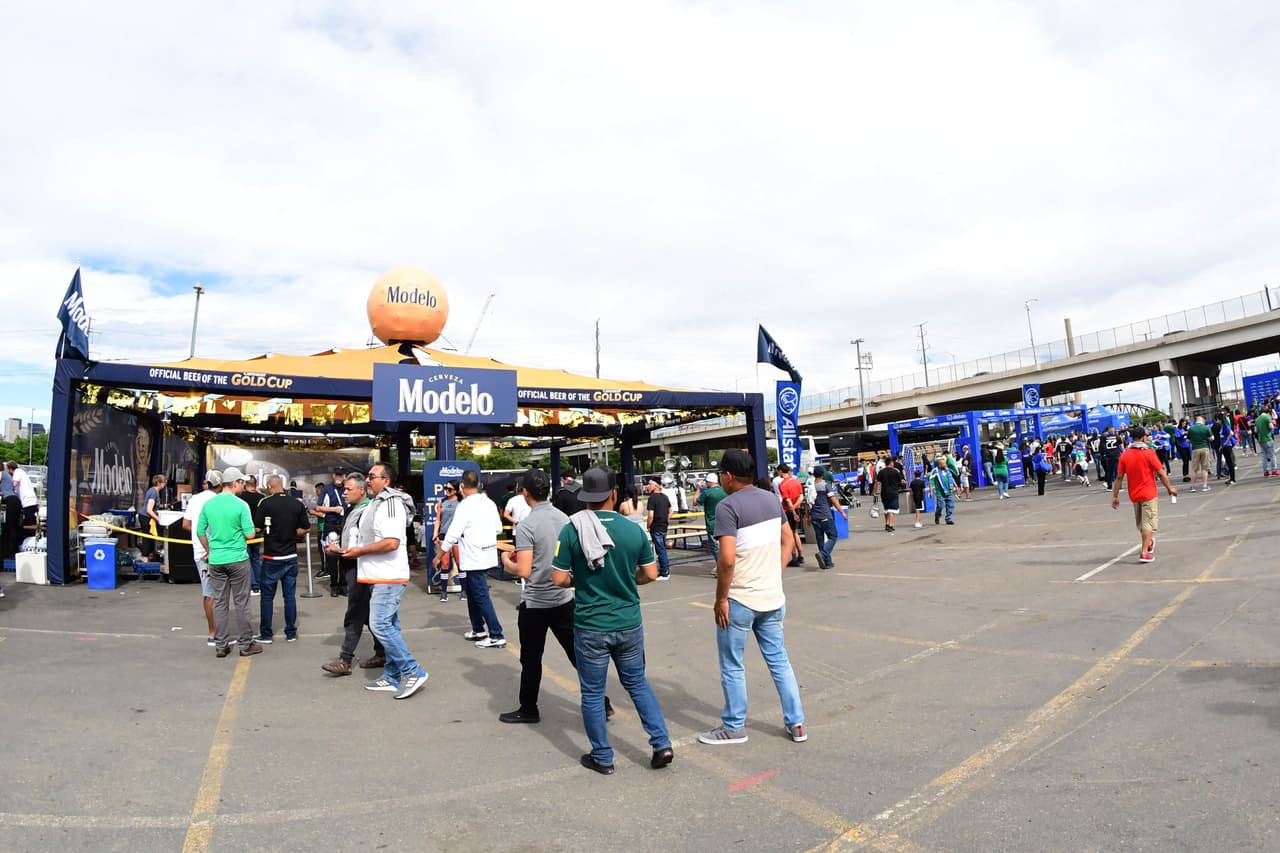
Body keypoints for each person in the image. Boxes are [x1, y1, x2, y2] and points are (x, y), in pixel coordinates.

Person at [551, 466, 673, 775]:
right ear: (614, 495)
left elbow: (558, 578)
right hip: (629, 621)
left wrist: (583, 581)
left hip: (590, 624)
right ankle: (661, 743)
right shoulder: (633, 530)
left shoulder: (571, 530)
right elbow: (650, 574)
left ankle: (603, 757)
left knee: (592, 693)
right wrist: (626, 582)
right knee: (637, 683)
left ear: (585, 498)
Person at [698, 449, 806, 746]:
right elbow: (788, 542)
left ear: (729, 476)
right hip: (772, 596)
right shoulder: (771, 499)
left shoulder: (727, 506)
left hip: (741, 599)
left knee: (732, 663)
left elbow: (727, 560)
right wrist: (775, 572)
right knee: (779, 660)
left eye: (722, 473)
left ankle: (734, 726)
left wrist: (721, 599)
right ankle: (796, 723)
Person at [496, 469, 615, 724]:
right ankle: (602, 703)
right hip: (564, 598)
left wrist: (506, 561)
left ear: (524, 492)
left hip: (536, 602)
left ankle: (529, 709)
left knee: (531, 659)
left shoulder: (527, 525)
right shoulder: (565, 519)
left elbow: (524, 569)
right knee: (577, 655)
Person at [342, 463, 427, 700]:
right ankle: (392, 676)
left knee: (379, 625)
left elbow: (391, 542)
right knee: (389, 625)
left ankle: (412, 670)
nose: (367, 480)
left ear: (386, 481)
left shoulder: (390, 503)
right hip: (377, 575)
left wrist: (359, 552)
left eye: (372, 477)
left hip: (389, 575)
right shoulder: (377, 503)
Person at [321, 473, 386, 677]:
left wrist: (346, 551)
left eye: (348, 489)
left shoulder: (368, 511)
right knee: (367, 615)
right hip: (351, 565)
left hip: (361, 568)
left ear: (361, 490)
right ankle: (382, 653)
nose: (344, 492)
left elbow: (368, 542)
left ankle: (345, 659)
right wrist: (338, 548)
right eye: (344, 489)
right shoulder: (353, 510)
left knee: (355, 614)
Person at [195, 467, 263, 658]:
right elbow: (250, 533)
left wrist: (209, 550)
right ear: (235, 483)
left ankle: (221, 644)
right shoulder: (241, 505)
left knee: (220, 603)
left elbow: (200, 531)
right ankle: (245, 644)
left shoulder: (209, 505)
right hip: (238, 559)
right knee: (241, 602)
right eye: (241, 482)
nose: (243, 485)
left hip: (216, 560)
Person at [437, 469, 506, 648]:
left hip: (473, 556)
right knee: (473, 592)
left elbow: (452, 534)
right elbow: (498, 528)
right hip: (487, 553)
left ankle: (496, 634)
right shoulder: (489, 503)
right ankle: (478, 628)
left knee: (480, 594)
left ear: (461, 486)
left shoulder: (465, 506)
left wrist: (439, 555)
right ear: (479, 484)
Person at [253, 474, 311, 643]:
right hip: (291, 556)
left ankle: (266, 634)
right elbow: (305, 528)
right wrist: (292, 534)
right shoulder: (296, 503)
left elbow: (257, 528)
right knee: (289, 596)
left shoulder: (265, 503)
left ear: (270, 487)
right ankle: (291, 632)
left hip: (272, 557)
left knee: (267, 597)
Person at [1111, 426, 1177, 563]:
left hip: (1134, 494)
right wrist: (1170, 488)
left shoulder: (1125, 455)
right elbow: (1161, 472)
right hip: (1149, 493)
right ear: (1143, 438)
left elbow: (1119, 478)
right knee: (1148, 523)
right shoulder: (1149, 453)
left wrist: (1115, 496)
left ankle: (1149, 542)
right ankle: (1144, 552)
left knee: (1142, 523)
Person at [182, 471, 223, 646]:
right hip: (218, 551)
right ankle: (220, 633)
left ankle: (212, 632)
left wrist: (197, 535)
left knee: (209, 594)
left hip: (199, 552)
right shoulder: (218, 501)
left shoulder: (194, 499)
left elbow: (186, 525)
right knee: (221, 594)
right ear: (220, 485)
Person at [310, 469, 347, 591]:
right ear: (333, 475)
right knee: (331, 555)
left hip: (344, 524)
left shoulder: (347, 488)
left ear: (344, 476)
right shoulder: (327, 489)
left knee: (344, 554)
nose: (339, 477)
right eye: (337, 475)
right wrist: (333, 509)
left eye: (341, 475)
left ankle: (343, 584)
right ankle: (334, 585)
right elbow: (318, 507)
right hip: (330, 525)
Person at [808, 466, 846, 569]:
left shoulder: (810, 487)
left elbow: (808, 503)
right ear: (823, 474)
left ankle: (827, 563)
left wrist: (808, 517)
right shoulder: (825, 485)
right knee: (833, 536)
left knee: (820, 539)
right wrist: (842, 512)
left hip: (814, 516)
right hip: (825, 515)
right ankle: (823, 554)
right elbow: (834, 500)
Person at [431, 480, 462, 600]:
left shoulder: (461, 502)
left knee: (460, 563)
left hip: (458, 536)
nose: (446, 491)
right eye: (445, 488)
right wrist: (435, 533)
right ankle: (444, 592)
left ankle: (464, 590)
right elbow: (438, 519)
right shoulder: (441, 502)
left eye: (449, 489)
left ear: (456, 490)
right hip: (444, 535)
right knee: (445, 563)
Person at [236, 475, 264, 596]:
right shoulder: (261, 498)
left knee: (247, 558)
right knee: (256, 558)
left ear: (245, 484)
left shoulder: (240, 498)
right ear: (256, 484)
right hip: (258, 532)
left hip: (245, 532)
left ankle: (253, 585)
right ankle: (258, 583)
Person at [643, 477, 673, 580]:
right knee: (662, 548)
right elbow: (671, 511)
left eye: (650, 484)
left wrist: (648, 525)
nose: (648, 486)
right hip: (664, 526)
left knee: (660, 549)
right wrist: (666, 520)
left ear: (655, 486)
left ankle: (664, 572)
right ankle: (664, 570)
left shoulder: (652, 498)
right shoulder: (664, 497)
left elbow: (651, 515)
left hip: (656, 527)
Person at [775, 465, 805, 567]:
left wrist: (793, 512)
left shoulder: (782, 485)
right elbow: (801, 497)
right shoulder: (797, 482)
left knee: (789, 534)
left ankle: (794, 557)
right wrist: (796, 508)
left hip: (788, 511)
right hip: (797, 508)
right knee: (795, 532)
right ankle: (801, 555)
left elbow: (787, 500)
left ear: (780, 471)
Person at [694, 472, 727, 561]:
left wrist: (698, 490)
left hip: (712, 524)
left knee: (715, 547)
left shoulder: (707, 493)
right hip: (726, 523)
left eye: (707, 482)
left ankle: (720, 566)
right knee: (726, 546)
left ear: (710, 482)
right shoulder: (725, 491)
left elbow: (695, 502)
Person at [873, 461, 904, 534]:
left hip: (884, 493)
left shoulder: (881, 472)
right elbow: (902, 481)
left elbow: (877, 483)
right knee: (892, 510)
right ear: (891, 463)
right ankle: (890, 525)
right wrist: (903, 482)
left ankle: (887, 523)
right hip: (893, 492)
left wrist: (874, 491)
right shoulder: (895, 471)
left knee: (886, 509)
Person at [142, 474, 167, 561]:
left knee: (150, 538)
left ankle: (149, 557)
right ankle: (145, 559)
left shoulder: (154, 492)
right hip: (146, 517)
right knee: (147, 538)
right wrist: (158, 518)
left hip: (147, 517)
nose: (165, 484)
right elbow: (149, 509)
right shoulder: (153, 492)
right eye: (164, 482)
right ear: (159, 483)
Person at [1187, 416, 1214, 492]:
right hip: (1205, 448)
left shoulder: (1191, 429)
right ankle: (1204, 486)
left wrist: (1194, 441)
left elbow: (1188, 440)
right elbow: (1211, 438)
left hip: (1195, 449)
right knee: (1205, 468)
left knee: (1194, 469)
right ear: (1202, 420)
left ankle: (1192, 487)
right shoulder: (1206, 428)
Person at [929, 457, 958, 525]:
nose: (945, 465)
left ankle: (949, 519)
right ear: (939, 465)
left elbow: (951, 478)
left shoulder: (947, 470)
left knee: (950, 505)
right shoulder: (935, 471)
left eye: (945, 463)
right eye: (943, 464)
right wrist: (931, 492)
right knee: (940, 506)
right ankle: (937, 516)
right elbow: (931, 481)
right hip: (940, 493)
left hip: (949, 491)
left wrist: (956, 486)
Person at [1214, 411, 1238, 485]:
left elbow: (1231, 433)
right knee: (1228, 462)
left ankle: (1233, 479)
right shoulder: (1221, 426)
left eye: (1217, 419)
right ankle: (1231, 478)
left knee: (1230, 462)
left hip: (1227, 446)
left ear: (1220, 419)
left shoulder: (1225, 426)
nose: (1217, 421)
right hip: (1224, 446)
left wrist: (1226, 442)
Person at [1100, 425, 1124, 490]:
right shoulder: (1117, 436)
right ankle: (1119, 487)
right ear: (1113, 429)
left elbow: (1103, 446)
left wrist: (1103, 454)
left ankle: (1109, 486)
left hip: (1109, 456)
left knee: (1109, 472)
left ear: (1108, 430)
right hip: (1116, 455)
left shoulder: (1105, 437)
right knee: (1118, 472)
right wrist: (1123, 452)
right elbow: (1121, 445)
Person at [1257, 406, 1276, 477]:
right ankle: (1274, 470)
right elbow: (1271, 427)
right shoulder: (1267, 417)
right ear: (1267, 412)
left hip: (1261, 439)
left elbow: (1256, 430)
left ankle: (1266, 471)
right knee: (1272, 455)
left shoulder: (1257, 419)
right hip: (1268, 438)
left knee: (1264, 456)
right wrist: (1273, 424)